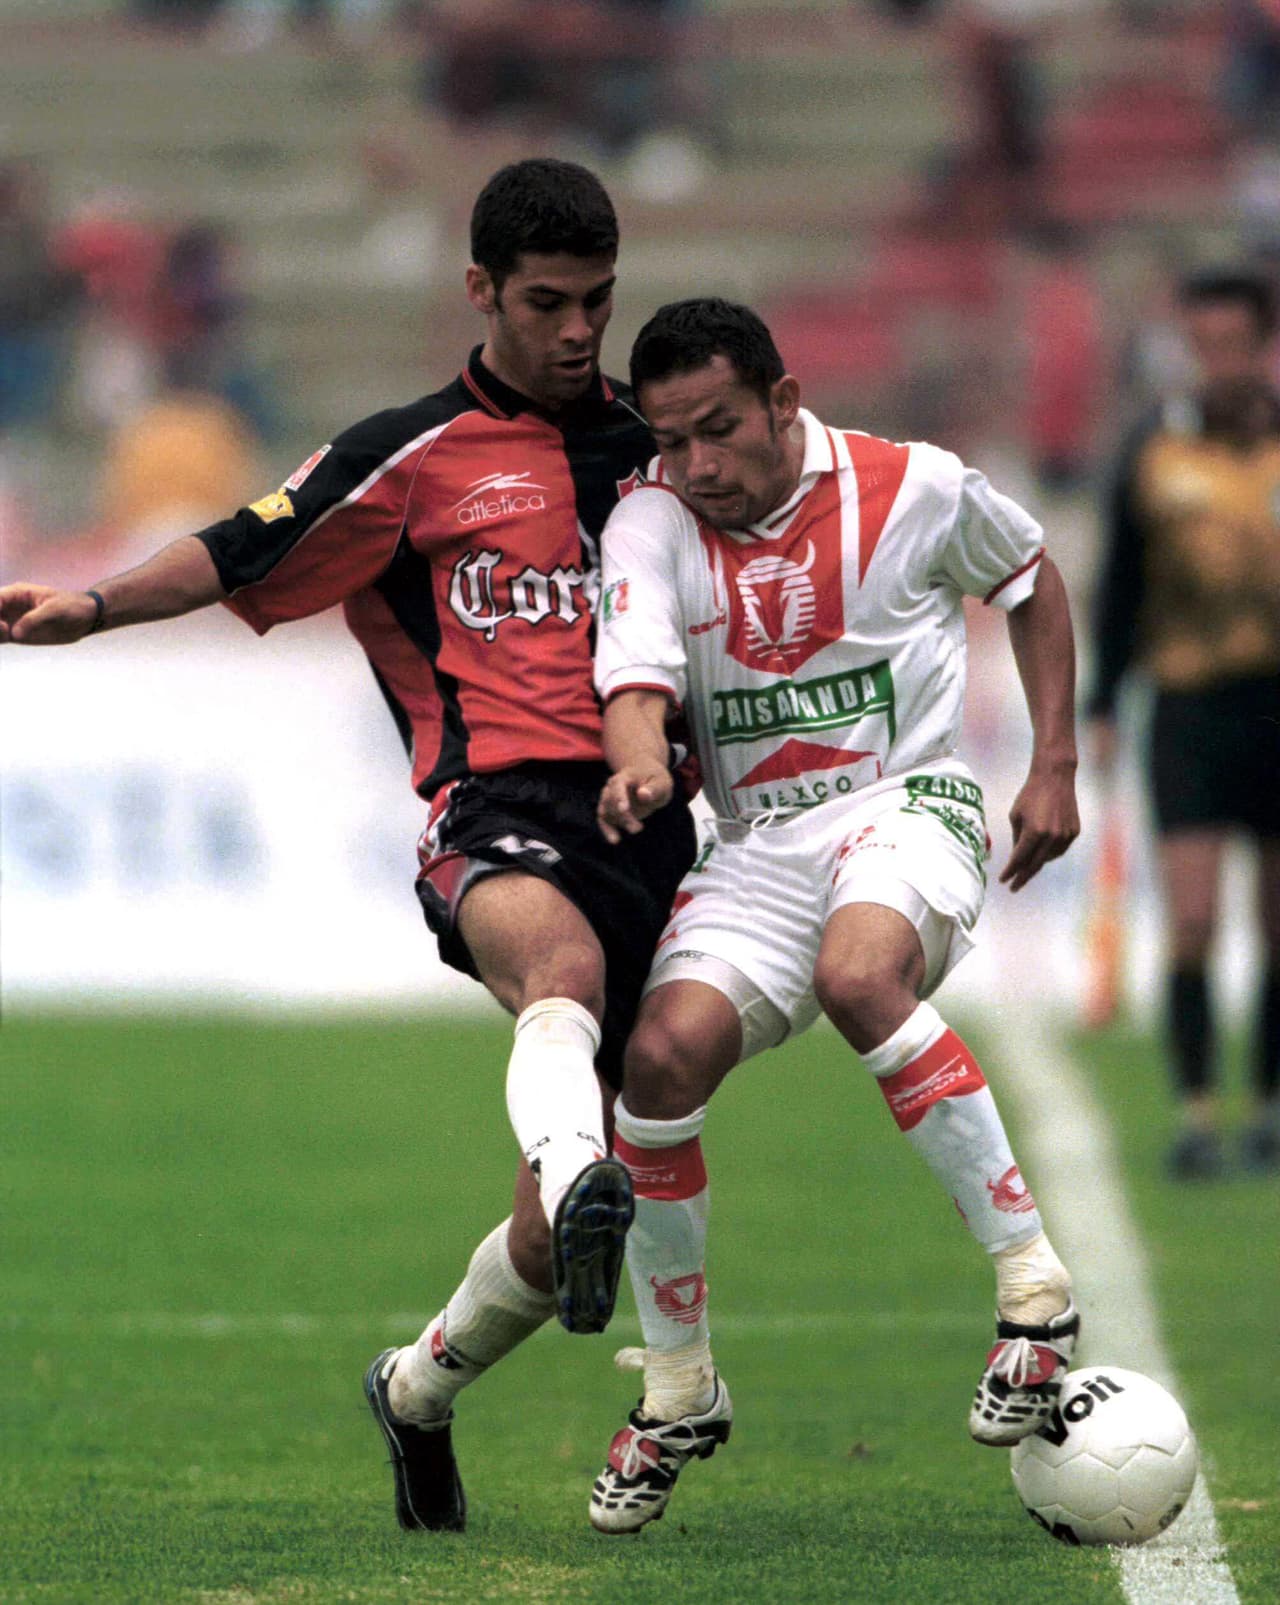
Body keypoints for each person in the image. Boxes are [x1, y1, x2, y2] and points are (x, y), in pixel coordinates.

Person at [0, 158, 696, 1533]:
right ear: (479, 290)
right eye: (547, 302)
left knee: (554, 1241)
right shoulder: (412, 457)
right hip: (494, 816)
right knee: (553, 971)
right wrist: (90, 606)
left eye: (597, 303)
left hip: (653, 823)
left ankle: (418, 1386)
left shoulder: (662, 450)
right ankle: (589, 1187)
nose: (576, 331)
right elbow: (239, 544)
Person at [587, 297, 1082, 1533]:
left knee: (863, 976)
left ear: (782, 401)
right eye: (672, 439)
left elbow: (1027, 577)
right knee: (654, 1063)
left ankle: (1032, 1288)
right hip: (755, 846)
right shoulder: (648, 516)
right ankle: (679, 1386)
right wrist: (639, 758)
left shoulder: (912, 485)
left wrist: (1055, 763)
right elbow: (634, 670)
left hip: (900, 800)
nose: (699, 464)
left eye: (719, 429)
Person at [1087, 266, 1280, 1180]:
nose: (1221, 363)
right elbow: (1120, 585)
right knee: (1194, 918)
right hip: (1190, 705)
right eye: (1205, 345)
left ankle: (1270, 1107)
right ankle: (1198, 1112)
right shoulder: (1153, 450)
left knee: (1278, 921)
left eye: (1237, 344)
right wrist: (1101, 703)